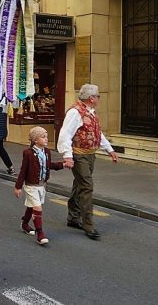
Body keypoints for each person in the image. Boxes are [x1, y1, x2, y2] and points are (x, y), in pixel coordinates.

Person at [57, 84, 118, 240]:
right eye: (98, 96)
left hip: (90, 155)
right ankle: (88, 224)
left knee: (79, 185)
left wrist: (109, 149)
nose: (99, 98)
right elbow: (65, 135)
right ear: (91, 98)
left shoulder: (90, 112)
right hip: (79, 155)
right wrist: (68, 155)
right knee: (86, 186)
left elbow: (97, 133)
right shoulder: (75, 112)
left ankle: (73, 217)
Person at [14, 126, 70, 245]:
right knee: (38, 208)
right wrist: (18, 186)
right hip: (31, 185)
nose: (46, 139)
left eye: (46, 137)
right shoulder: (28, 153)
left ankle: (24, 224)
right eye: (43, 137)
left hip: (41, 185)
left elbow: (50, 165)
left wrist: (63, 165)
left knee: (32, 206)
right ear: (35, 140)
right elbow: (23, 170)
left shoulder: (47, 152)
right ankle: (40, 234)